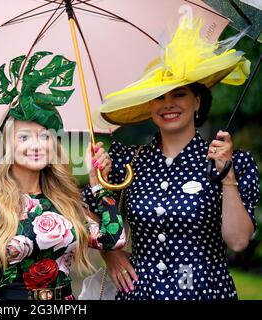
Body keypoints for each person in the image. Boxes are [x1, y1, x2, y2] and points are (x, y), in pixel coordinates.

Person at [82, 17, 260, 300]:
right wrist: (110, 254)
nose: (168, 104)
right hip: (139, 293)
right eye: (159, 97)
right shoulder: (127, 162)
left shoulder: (232, 162)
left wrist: (227, 176)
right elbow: (87, 217)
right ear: (149, 105)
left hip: (205, 292)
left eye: (179, 94)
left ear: (197, 101)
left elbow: (237, 241)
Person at [0, 51, 126, 300]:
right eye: (24, 137)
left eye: (45, 136)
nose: (36, 145)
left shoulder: (66, 201)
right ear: (8, 146)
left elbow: (113, 239)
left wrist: (98, 184)